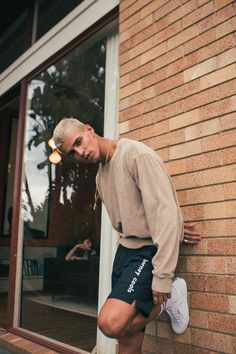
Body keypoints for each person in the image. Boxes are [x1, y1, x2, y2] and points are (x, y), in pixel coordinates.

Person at [53, 118, 201, 354]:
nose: (81, 152)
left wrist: (163, 274)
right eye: (73, 152)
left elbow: (165, 210)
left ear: (89, 130)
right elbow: (134, 216)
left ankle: (172, 297)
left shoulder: (135, 155)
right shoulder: (100, 178)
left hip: (147, 252)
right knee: (127, 342)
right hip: (125, 253)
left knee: (110, 323)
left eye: (79, 142)